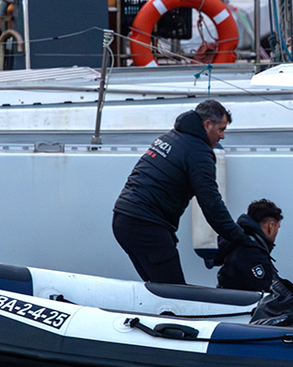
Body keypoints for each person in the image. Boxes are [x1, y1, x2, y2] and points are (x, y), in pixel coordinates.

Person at [112, 99, 247, 284]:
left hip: (123, 218)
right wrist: (239, 237)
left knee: (158, 287)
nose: (222, 136)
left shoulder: (169, 137)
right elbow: (211, 204)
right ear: (207, 125)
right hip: (146, 224)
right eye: (221, 129)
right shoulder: (199, 152)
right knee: (174, 292)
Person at [215, 199, 283, 292]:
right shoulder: (252, 253)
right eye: (277, 227)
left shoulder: (240, 244)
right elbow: (268, 293)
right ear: (271, 226)